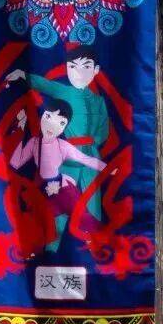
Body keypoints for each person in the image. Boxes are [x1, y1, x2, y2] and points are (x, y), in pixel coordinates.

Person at [7, 52, 110, 219]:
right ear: (67, 69)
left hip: (91, 155)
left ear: (95, 70)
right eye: (73, 67)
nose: (79, 73)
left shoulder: (98, 101)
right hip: (66, 154)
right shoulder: (64, 91)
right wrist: (23, 75)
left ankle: (92, 234)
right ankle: (55, 236)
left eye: (86, 67)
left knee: (93, 203)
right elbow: (45, 85)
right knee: (60, 202)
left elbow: (103, 130)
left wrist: (94, 143)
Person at [10, 100, 105, 248]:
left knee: (81, 216)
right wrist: (21, 135)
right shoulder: (34, 143)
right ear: (42, 116)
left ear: (64, 128)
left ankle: (99, 242)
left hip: (63, 189)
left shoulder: (62, 146)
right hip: (44, 191)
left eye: (61, 123)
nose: (52, 125)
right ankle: (33, 250)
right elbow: (15, 163)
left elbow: (85, 159)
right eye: (48, 117)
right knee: (35, 220)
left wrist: (108, 168)